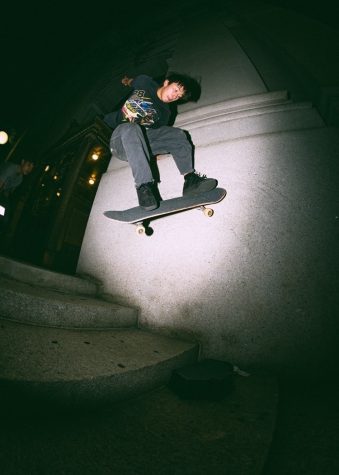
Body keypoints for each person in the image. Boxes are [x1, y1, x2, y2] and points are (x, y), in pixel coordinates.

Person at [104, 73, 218, 210]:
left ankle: (190, 180)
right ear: (166, 82)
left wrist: (154, 154)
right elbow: (132, 82)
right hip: (120, 140)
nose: (174, 96)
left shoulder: (165, 113)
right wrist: (126, 80)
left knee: (177, 134)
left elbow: (157, 136)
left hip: (142, 143)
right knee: (132, 127)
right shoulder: (145, 82)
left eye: (178, 96)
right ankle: (144, 187)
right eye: (175, 90)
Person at [0, 159, 34, 233]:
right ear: (22, 162)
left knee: (4, 214)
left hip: (2, 194)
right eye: (28, 165)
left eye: (31, 168)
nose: (29, 169)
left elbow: (7, 192)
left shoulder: (20, 179)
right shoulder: (11, 168)